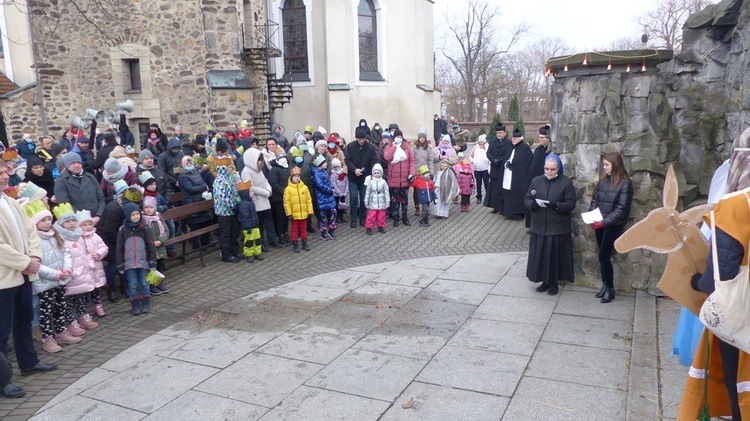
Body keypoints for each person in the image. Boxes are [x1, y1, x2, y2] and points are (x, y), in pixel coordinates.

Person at [679, 128, 750, 420]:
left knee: (740, 390)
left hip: (742, 320)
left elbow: (717, 278)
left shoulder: (735, 208)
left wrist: (696, 281)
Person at [0, 160, 58, 399]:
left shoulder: (11, 201)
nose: (6, 176)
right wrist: (25, 263)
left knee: (24, 320)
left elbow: (31, 231)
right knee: (1, 332)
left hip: (24, 273)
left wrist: (34, 257)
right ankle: (3, 380)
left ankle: (28, 362)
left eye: (5, 171)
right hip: (5, 278)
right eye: (1, 173)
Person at [27, 201, 82, 354]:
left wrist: (66, 269)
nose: (47, 223)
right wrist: (55, 274)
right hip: (45, 281)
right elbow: (36, 264)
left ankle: (61, 331)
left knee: (61, 305)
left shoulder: (55, 234)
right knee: (46, 310)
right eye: (42, 220)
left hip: (61, 278)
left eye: (48, 219)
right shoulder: (33, 240)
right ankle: (47, 338)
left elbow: (66, 252)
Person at [525, 155, 576, 296]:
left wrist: (556, 205)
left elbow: (571, 203)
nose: (549, 172)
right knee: (541, 256)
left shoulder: (566, 183)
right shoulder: (536, 181)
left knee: (554, 257)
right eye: (546, 169)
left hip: (557, 227)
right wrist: (532, 205)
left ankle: (554, 283)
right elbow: (527, 198)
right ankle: (544, 281)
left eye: (552, 169)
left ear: (558, 169)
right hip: (539, 225)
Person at [588, 152, 633, 303]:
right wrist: (591, 216)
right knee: (602, 256)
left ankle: (610, 288)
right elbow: (595, 200)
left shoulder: (625, 183)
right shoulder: (603, 181)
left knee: (603, 255)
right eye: (604, 164)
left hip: (612, 225)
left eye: (607, 164)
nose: (604, 167)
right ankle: (605, 286)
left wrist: (604, 222)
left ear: (615, 165)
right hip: (599, 223)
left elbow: (621, 209)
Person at [54, 207, 99, 331]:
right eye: (68, 221)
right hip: (70, 273)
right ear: (61, 223)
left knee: (81, 296)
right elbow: (61, 256)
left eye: (73, 220)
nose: (72, 223)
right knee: (67, 299)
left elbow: (84, 252)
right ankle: (70, 321)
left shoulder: (78, 234)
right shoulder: (59, 236)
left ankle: (82, 316)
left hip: (82, 272)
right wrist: (70, 270)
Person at [116, 202, 157, 316]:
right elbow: (119, 249)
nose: (136, 216)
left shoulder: (145, 228)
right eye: (133, 214)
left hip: (143, 263)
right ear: (128, 216)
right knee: (132, 285)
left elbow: (151, 246)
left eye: (137, 214)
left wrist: (153, 263)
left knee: (144, 283)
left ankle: (145, 304)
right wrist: (120, 265)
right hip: (129, 264)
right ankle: (135, 305)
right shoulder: (123, 230)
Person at [72, 210, 110, 316]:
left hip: (95, 268)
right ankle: (83, 310)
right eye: (85, 225)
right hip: (84, 268)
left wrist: (99, 254)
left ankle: (98, 305)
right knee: (84, 290)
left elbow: (104, 247)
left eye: (90, 224)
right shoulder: (77, 238)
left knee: (95, 289)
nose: (88, 227)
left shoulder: (95, 236)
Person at [175, 156, 214, 250]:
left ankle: (205, 241)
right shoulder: (182, 176)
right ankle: (196, 244)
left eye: (190, 162)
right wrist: (203, 188)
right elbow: (190, 189)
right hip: (191, 202)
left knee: (205, 221)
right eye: (187, 163)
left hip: (201, 199)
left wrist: (203, 186)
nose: (189, 164)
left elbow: (203, 182)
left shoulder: (195, 172)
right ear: (182, 165)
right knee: (196, 224)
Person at [54, 152, 106, 220]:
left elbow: (101, 198)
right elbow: (64, 203)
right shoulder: (61, 181)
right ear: (67, 164)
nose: (76, 165)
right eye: (73, 163)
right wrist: (83, 217)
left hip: (96, 218)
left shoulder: (90, 177)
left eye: (78, 162)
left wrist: (98, 215)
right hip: (77, 220)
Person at [344, 127, 378, 228]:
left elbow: (374, 161)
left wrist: (373, 173)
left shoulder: (371, 148)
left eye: (363, 139)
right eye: (359, 139)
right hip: (353, 177)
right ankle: (353, 218)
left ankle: (363, 218)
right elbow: (347, 160)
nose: (361, 141)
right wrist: (354, 169)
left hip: (365, 178)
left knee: (364, 198)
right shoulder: (350, 147)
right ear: (356, 138)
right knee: (353, 199)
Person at [383, 129, 415, 227]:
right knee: (394, 200)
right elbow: (387, 157)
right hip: (394, 178)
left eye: (401, 137)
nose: (399, 139)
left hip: (405, 178)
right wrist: (394, 146)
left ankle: (405, 217)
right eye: (397, 137)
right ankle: (396, 217)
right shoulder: (389, 147)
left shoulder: (407, 148)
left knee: (405, 200)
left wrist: (412, 173)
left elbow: (412, 161)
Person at [501, 129, 533, 220]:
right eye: (512, 138)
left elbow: (527, 162)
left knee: (517, 194)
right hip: (509, 175)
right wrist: (507, 163)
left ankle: (519, 214)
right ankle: (508, 212)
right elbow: (507, 157)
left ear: (520, 138)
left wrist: (514, 165)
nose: (513, 140)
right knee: (508, 193)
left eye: (515, 138)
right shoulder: (510, 146)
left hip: (519, 176)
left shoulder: (524, 147)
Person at [140, 197, 170, 294]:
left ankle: (159, 283)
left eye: (151, 207)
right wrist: (151, 243)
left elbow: (166, 231)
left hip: (159, 248)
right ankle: (152, 286)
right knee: (151, 267)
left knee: (159, 266)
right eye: (146, 207)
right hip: (150, 249)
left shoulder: (158, 218)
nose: (148, 209)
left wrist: (161, 241)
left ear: (155, 208)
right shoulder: (143, 220)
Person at [213, 166, 241, 263]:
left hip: (232, 211)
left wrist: (238, 202)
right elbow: (221, 196)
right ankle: (226, 254)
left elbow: (235, 191)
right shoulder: (219, 180)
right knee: (226, 233)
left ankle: (235, 251)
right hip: (224, 212)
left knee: (234, 231)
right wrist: (232, 205)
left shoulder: (229, 178)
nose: (231, 169)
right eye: (228, 168)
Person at [525, 125, 552, 227]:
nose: (539, 139)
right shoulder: (537, 150)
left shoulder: (549, 152)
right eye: (539, 137)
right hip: (533, 182)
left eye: (542, 137)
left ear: (548, 139)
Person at [284, 167, 313, 252]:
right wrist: (289, 214)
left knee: (304, 229)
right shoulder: (288, 189)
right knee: (294, 230)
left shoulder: (304, 187)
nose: (297, 178)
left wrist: (310, 211)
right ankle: (295, 244)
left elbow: (308, 200)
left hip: (303, 213)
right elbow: (286, 202)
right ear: (291, 177)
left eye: (299, 176)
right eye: (295, 176)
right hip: (294, 214)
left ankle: (304, 243)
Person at [268, 151, 291, 247]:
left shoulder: (287, 168)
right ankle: (280, 235)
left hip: (288, 197)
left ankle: (285, 233)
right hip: (279, 198)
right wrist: (283, 191)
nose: (283, 159)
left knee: (286, 217)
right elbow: (273, 183)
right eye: (281, 158)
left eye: (284, 157)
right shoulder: (274, 170)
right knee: (280, 217)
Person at [485, 124, 510, 213]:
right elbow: (488, 153)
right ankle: (495, 206)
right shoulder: (492, 142)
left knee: (502, 188)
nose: (499, 134)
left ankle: (503, 206)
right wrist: (493, 160)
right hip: (494, 168)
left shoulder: (509, 143)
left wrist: (501, 160)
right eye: (497, 133)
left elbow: (509, 154)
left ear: (504, 133)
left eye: (500, 133)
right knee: (494, 188)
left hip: (503, 169)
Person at [237, 179, 264, 263]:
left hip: (255, 225)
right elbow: (245, 217)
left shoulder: (250, 202)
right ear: (245, 193)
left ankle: (257, 252)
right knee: (249, 241)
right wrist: (247, 227)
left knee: (257, 239)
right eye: (251, 191)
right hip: (249, 227)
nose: (252, 193)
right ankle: (248, 254)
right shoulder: (244, 205)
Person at [311, 155, 337, 240]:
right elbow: (320, 186)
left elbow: (329, 182)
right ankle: (323, 232)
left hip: (329, 197)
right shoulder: (316, 174)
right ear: (319, 164)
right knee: (322, 217)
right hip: (322, 198)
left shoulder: (324, 172)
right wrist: (330, 190)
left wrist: (332, 188)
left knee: (333, 214)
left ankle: (331, 230)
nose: (326, 164)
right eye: (324, 162)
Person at [412, 129, 434, 217]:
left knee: (425, 190)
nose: (421, 139)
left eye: (423, 137)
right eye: (420, 137)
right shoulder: (414, 148)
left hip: (425, 173)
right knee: (416, 191)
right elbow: (412, 161)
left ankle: (425, 208)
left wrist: (431, 173)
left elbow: (430, 161)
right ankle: (417, 206)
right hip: (417, 172)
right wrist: (412, 172)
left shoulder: (428, 149)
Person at [363, 163, 390, 235]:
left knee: (381, 216)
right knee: (371, 216)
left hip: (381, 202)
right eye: (375, 173)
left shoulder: (383, 182)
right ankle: (369, 227)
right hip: (373, 202)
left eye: (378, 173)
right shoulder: (371, 182)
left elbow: (386, 192)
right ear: (373, 173)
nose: (377, 175)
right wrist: (366, 201)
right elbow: (367, 192)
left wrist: (387, 201)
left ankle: (381, 226)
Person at [471, 134, 490, 205]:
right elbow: (471, 156)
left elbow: (489, 156)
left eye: (482, 142)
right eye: (479, 142)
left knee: (486, 184)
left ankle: (488, 198)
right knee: (478, 184)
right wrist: (473, 161)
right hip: (477, 169)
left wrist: (487, 161)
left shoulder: (488, 148)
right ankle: (479, 197)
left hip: (485, 169)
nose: (480, 143)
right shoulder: (475, 148)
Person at [329, 158, 348, 223]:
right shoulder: (333, 175)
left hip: (343, 193)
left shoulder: (343, 174)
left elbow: (347, 183)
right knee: (336, 206)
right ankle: (336, 217)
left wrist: (345, 192)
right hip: (336, 194)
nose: (337, 167)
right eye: (335, 166)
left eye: (338, 166)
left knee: (342, 205)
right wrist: (340, 193)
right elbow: (334, 185)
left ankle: (341, 216)